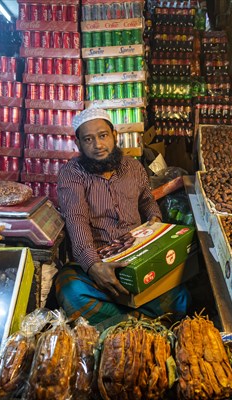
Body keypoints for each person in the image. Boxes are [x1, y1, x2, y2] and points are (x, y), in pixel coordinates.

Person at [56, 108, 190, 326]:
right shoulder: (72, 174)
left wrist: (154, 221)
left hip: (138, 255)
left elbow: (147, 201)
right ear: (78, 144)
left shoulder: (133, 167)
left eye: (103, 136)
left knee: (180, 294)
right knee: (70, 290)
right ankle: (144, 323)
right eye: (88, 139)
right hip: (99, 258)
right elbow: (76, 219)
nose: (98, 145)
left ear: (114, 136)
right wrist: (94, 265)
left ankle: (121, 322)